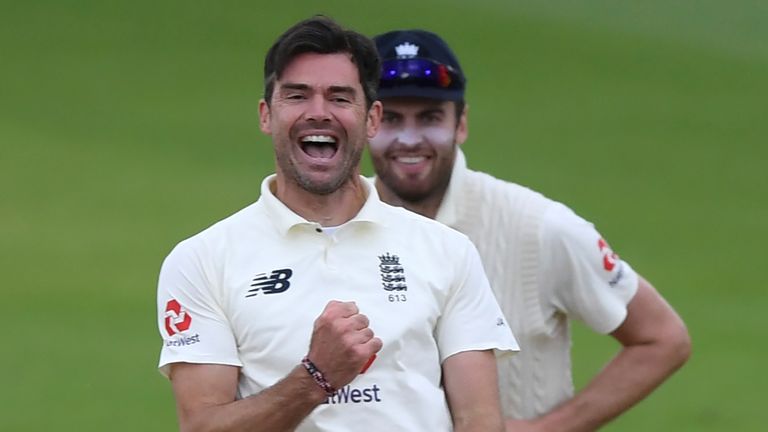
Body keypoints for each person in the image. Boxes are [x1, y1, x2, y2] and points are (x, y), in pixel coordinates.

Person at [156, 17, 519, 432]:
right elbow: (201, 427)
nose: (318, 113)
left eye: (340, 98)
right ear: (265, 115)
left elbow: (480, 420)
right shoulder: (202, 260)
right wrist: (316, 377)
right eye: (297, 96)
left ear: (372, 119)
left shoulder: (447, 251)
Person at [369, 29, 692, 431]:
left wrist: (550, 428)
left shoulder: (540, 227)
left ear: (461, 123)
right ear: (367, 123)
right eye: (392, 118)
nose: (410, 139)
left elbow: (663, 338)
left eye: (431, 118)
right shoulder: (334, 231)